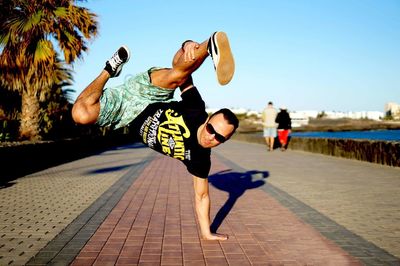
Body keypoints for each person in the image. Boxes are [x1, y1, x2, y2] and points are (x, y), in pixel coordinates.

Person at [71, 32, 238, 241]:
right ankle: (210, 44)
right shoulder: (196, 109)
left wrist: (207, 233)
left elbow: (202, 196)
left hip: (125, 115)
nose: (211, 137)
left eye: (219, 139)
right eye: (211, 129)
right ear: (208, 120)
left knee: (80, 114)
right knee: (178, 76)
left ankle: (108, 70)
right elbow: (182, 72)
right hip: (149, 93)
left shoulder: (200, 158)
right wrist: (186, 45)